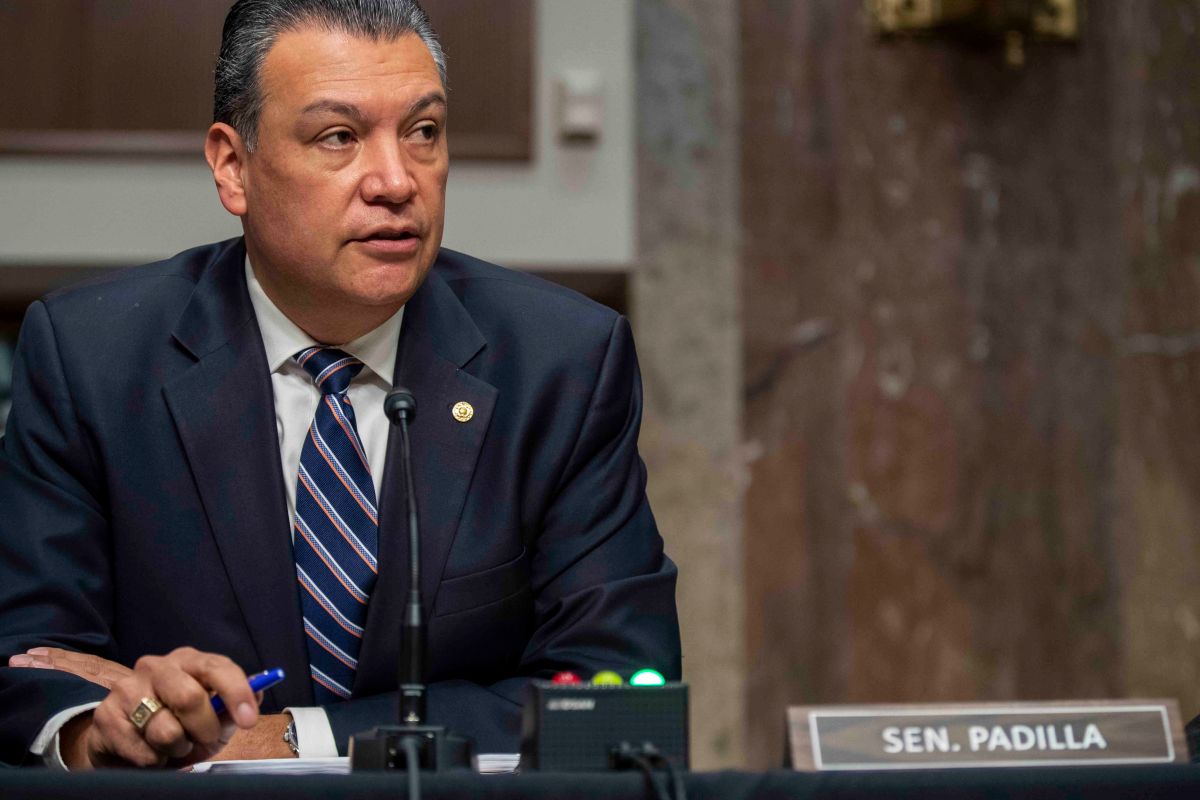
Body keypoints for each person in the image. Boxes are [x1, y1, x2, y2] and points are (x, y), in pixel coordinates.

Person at [0, 0, 680, 769]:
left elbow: (622, 696)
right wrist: (104, 727)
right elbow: (31, 664)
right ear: (233, 166)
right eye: (339, 137)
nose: (396, 181)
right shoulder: (94, 358)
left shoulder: (560, 364)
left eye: (423, 132)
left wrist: (296, 738)